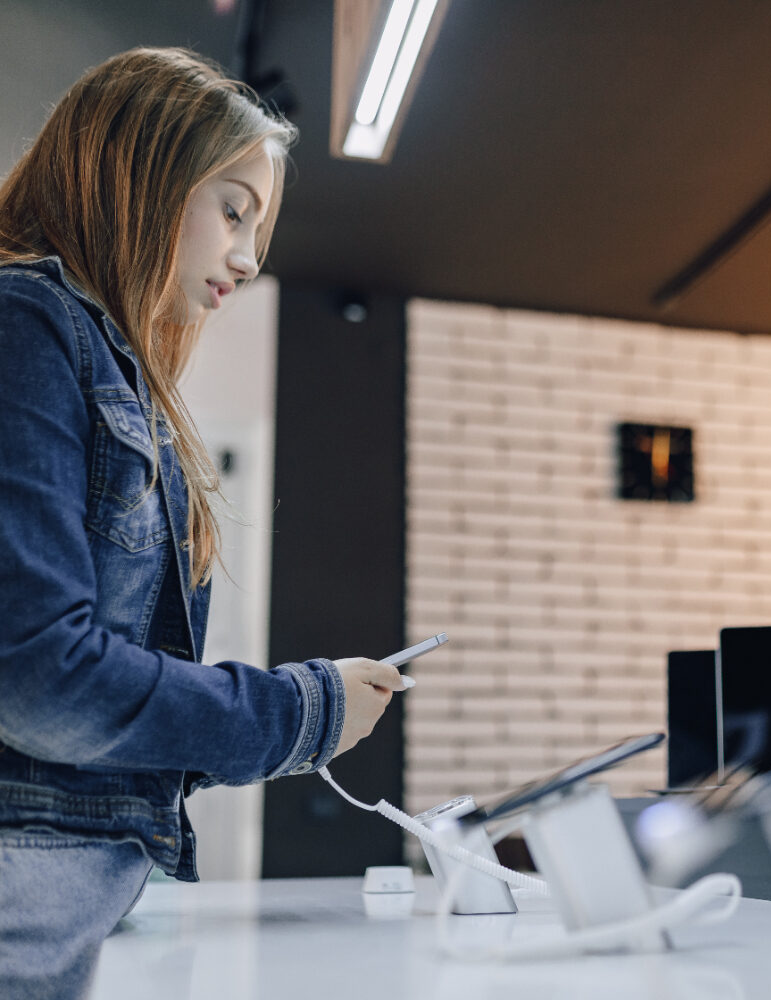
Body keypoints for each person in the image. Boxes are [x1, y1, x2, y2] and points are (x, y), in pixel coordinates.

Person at [0, 47, 406, 997]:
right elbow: (42, 685)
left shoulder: (108, 366)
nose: (251, 255)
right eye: (233, 208)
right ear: (142, 174)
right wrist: (299, 712)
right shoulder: (27, 326)